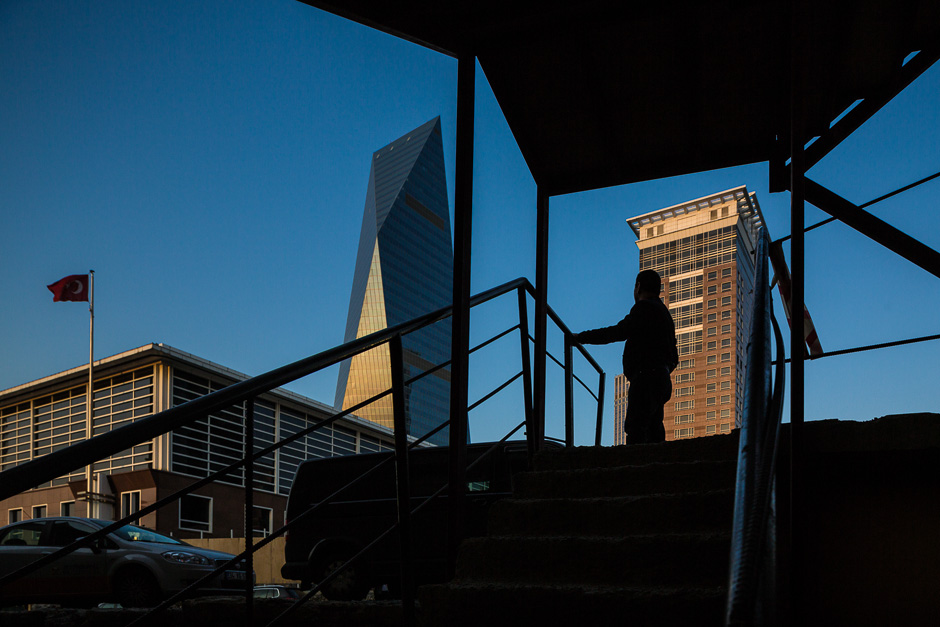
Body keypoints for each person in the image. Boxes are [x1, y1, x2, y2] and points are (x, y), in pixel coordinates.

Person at [573, 269, 678, 444]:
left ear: (638, 286)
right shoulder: (665, 315)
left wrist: (581, 337)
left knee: (636, 428)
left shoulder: (644, 308)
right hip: (661, 378)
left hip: (645, 378)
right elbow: (674, 356)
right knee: (654, 429)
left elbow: (617, 332)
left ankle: (636, 461)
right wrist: (662, 370)